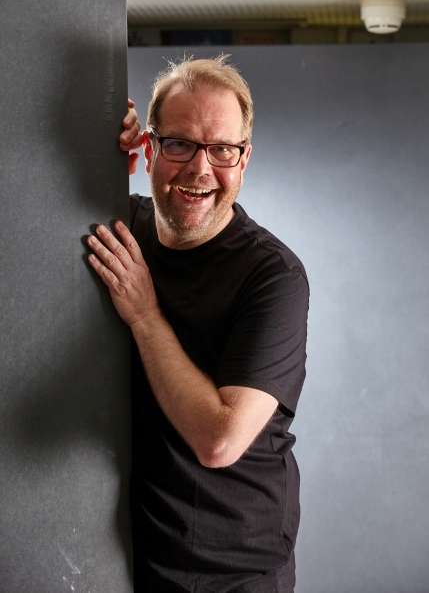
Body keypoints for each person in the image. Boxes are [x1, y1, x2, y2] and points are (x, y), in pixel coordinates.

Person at [86, 56, 309, 593]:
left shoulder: (273, 276)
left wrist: (144, 314)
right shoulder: (125, 232)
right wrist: (91, 138)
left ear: (244, 158)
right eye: (180, 144)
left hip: (235, 572)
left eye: (222, 149)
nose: (200, 168)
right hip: (135, 555)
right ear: (149, 149)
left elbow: (220, 441)